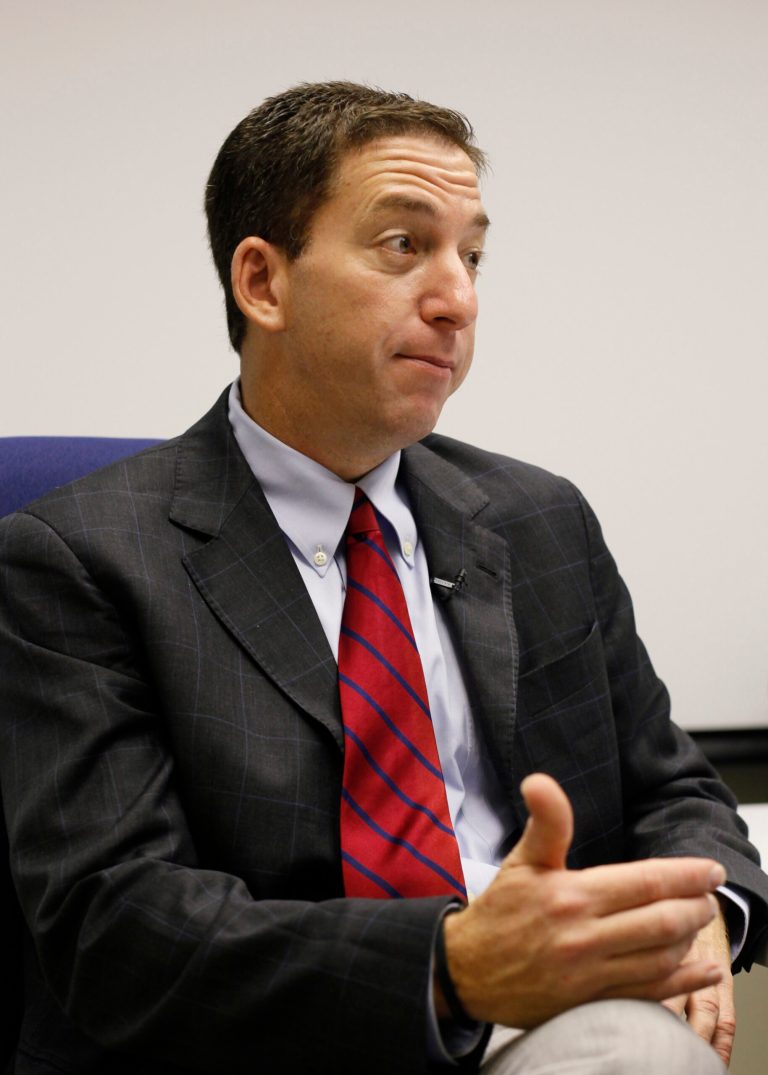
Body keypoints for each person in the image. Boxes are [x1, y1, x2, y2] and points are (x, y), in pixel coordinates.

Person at [1, 81, 766, 1075]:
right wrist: (449, 966)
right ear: (263, 282)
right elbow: (118, 927)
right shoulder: (78, 557)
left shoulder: (538, 520)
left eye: (472, 256)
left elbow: (673, 786)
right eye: (405, 246)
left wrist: (704, 906)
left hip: (540, 1022)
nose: (458, 300)